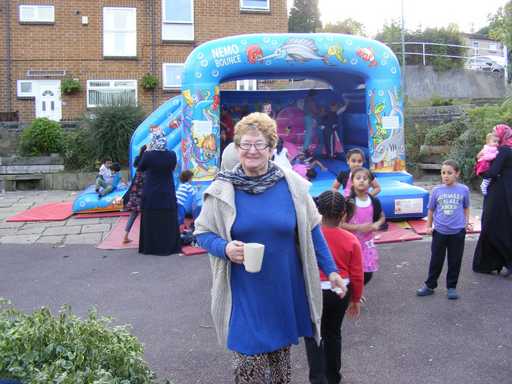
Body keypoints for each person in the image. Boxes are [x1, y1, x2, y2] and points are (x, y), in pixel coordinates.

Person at [193, 112, 347, 384]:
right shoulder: (222, 189)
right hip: (244, 292)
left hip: (282, 291)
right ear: (237, 148)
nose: (252, 150)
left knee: (280, 370)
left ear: (271, 148)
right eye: (245, 144)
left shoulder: (292, 186)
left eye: (259, 144)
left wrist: (332, 271)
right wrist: (225, 248)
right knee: (248, 367)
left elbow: (313, 231)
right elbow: (202, 233)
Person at [305, 190, 364, 384]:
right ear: (343, 214)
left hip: (315, 291)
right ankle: (333, 377)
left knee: (314, 336)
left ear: (317, 211)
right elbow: (357, 275)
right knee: (333, 333)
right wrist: (355, 299)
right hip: (340, 291)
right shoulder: (351, 239)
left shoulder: (308, 237)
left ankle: (317, 379)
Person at [417, 160, 471, 300]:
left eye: (449, 173)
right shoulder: (436, 191)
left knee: (455, 260)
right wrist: (428, 226)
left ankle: (451, 287)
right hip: (439, 232)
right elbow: (431, 209)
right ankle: (430, 286)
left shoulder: (463, 190)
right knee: (436, 260)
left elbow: (466, 207)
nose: (445, 176)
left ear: (457, 174)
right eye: (443, 173)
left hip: (457, 233)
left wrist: (466, 223)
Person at [473, 124, 512, 276]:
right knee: (502, 225)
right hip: (505, 192)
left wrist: (480, 165)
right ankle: (492, 263)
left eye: (496, 135)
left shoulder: (503, 151)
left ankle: (500, 262)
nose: (494, 137)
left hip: (498, 193)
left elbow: (491, 172)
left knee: (492, 225)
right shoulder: (507, 149)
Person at [137, 132, 181, 256]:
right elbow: (172, 168)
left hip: (151, 191)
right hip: (167, 190)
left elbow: (140, 167)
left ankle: (151, 247)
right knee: (168, 219)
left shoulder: (148, 155)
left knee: (151, 219)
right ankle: (170, 246)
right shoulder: (171, 155)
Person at [340, 167, 385, 287]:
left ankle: (356, 291)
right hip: (351, 244)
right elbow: (341, 224)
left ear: (370, 183)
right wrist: (358, 227)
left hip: (367, 244)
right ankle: (352, 296)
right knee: (351, 272)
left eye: (365, 178)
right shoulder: (349, 202)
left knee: (367, 273)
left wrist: (377, 224)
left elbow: (382, 217)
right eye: (358, 178)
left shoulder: (374, 201)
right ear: (352, 182)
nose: (361, 181)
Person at [122, 145, 146, 244]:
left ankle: (125, 236)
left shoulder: (138, 172)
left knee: (133, 215)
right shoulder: (146, 173)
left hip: (135, 194)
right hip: (143, 196)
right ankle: (145, 239)